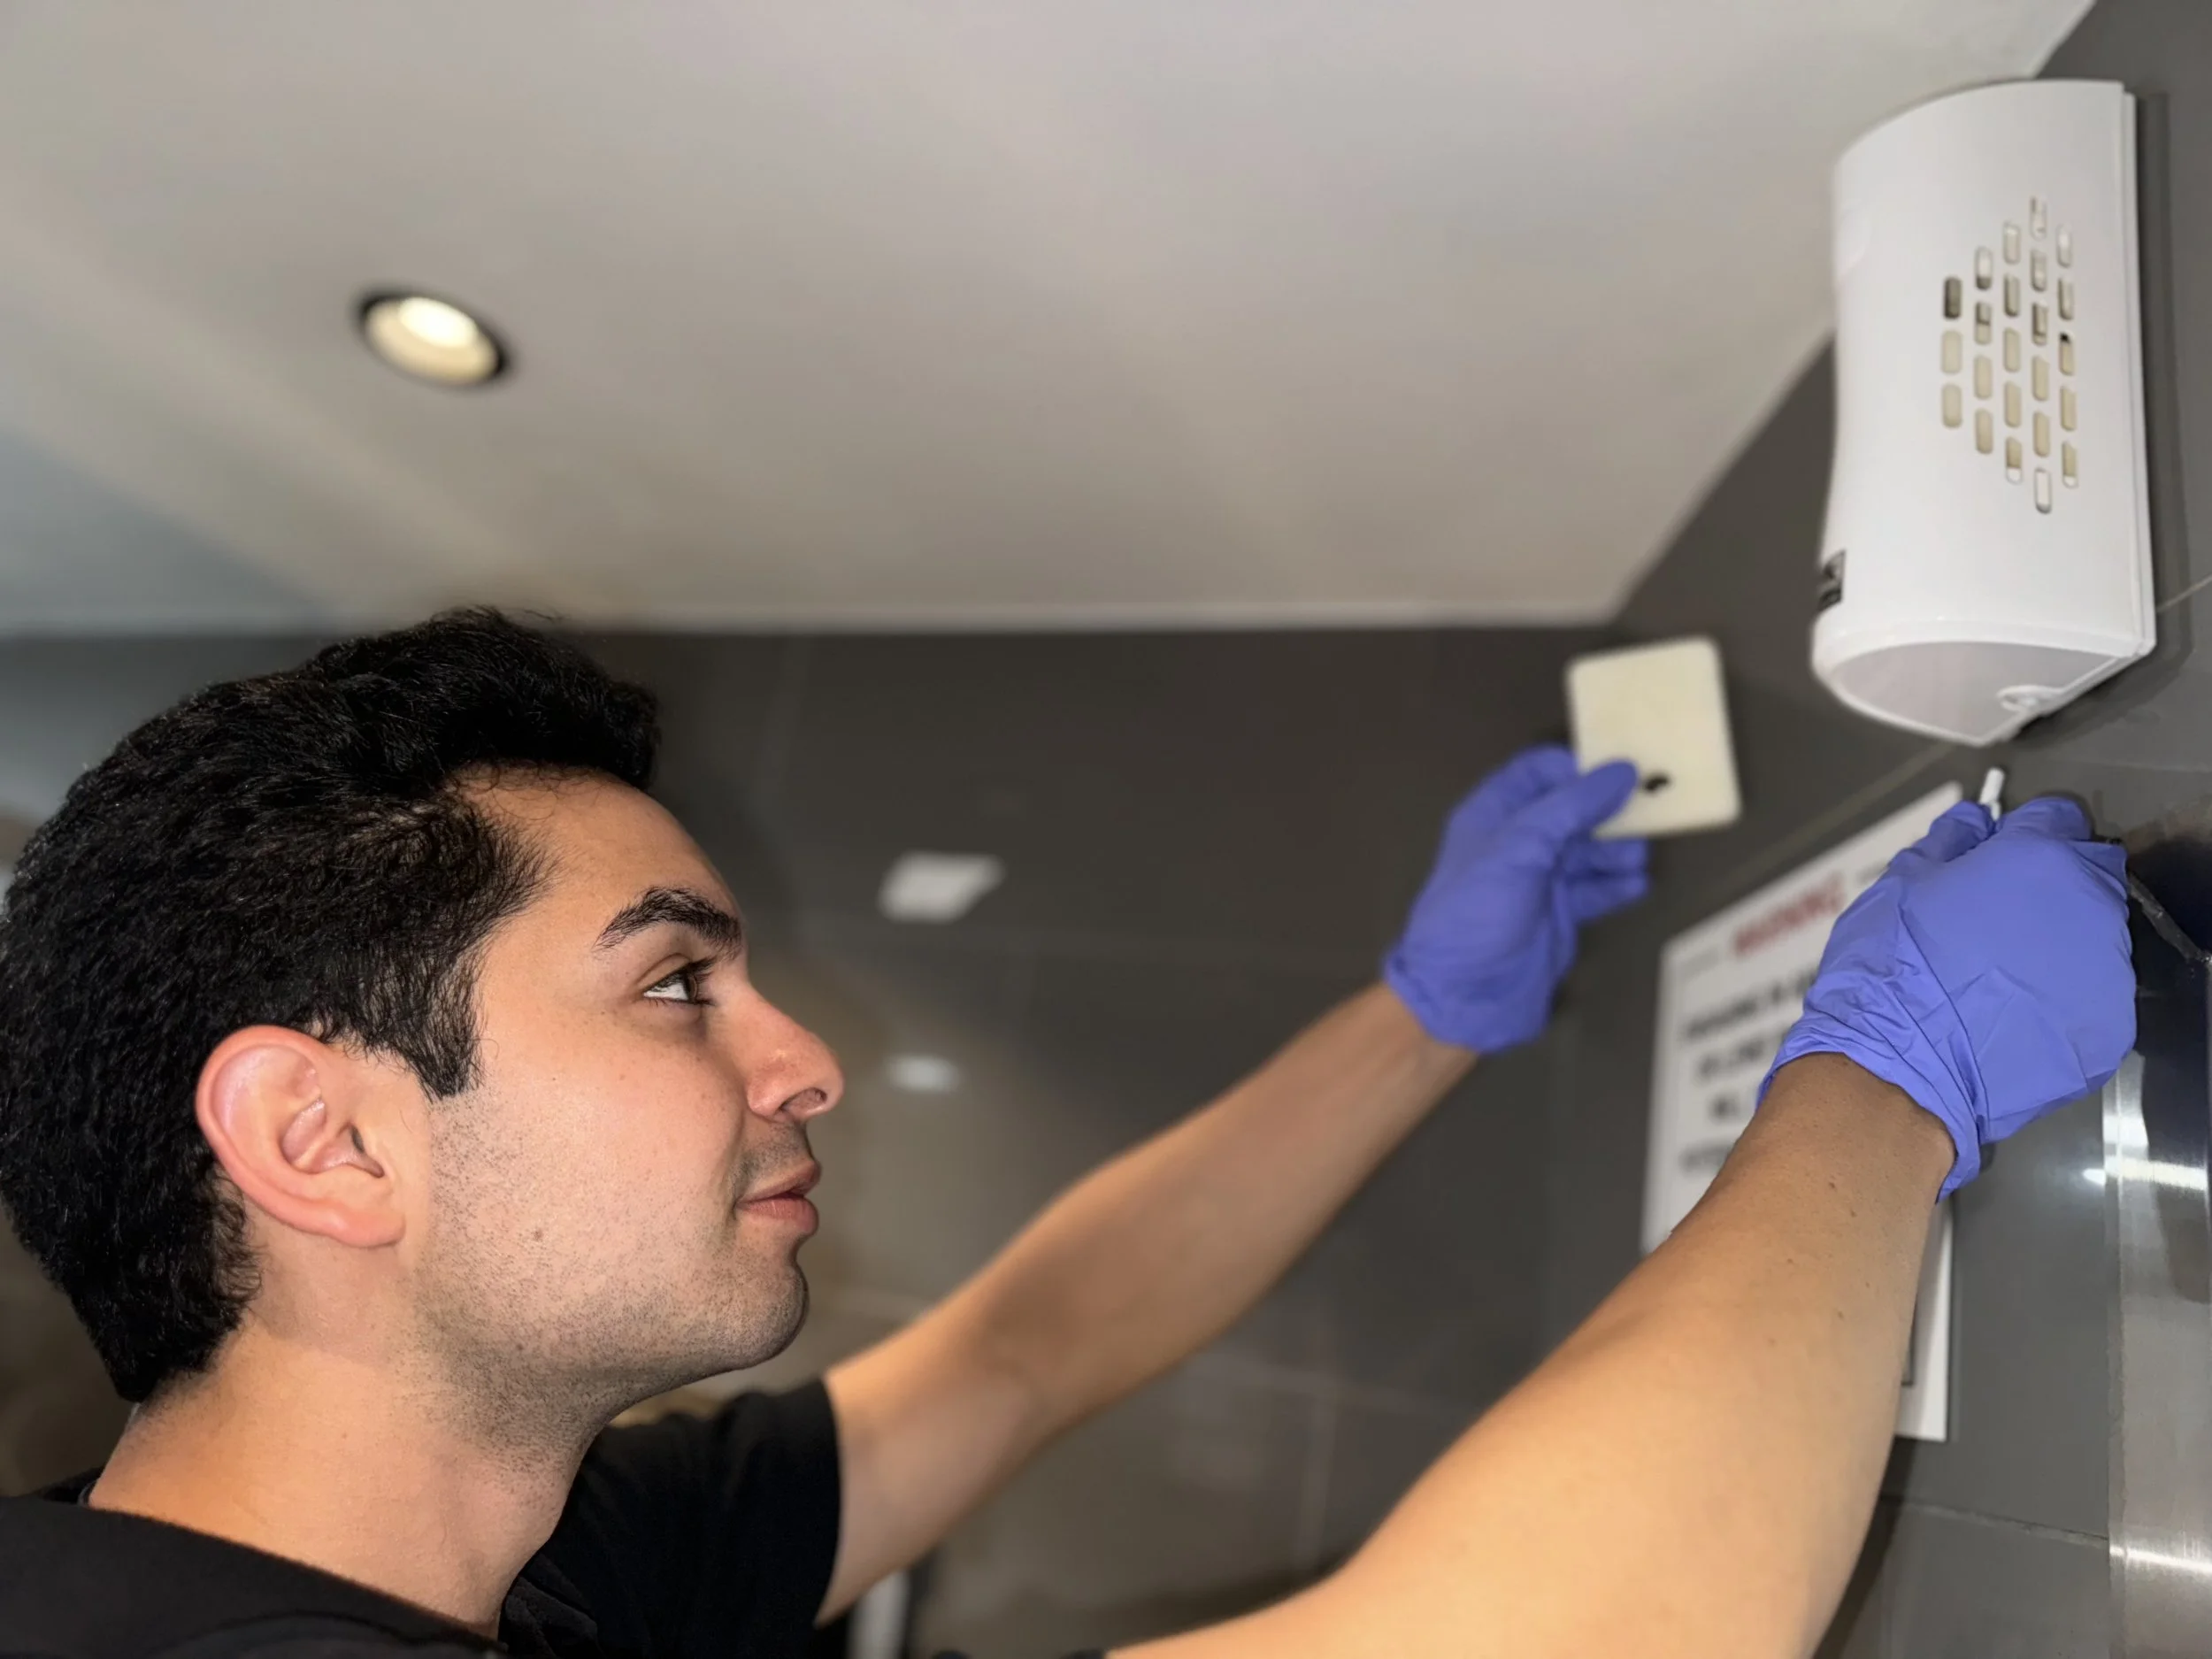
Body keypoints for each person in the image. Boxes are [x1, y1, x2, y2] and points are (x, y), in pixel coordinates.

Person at [0, 611, 2131, 1659]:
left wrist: (1424, 1014)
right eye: (674, 984)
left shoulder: (527, 1554)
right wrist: (1883, 1078)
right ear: (322, 1139)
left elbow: (1032, 1343)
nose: (802, 1058)